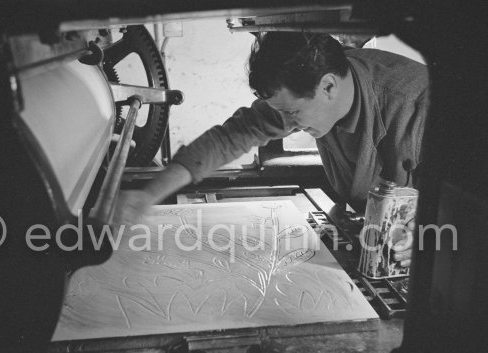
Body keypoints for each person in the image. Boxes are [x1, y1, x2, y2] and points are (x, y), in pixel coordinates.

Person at [114, 32, 429, 268]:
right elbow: (232, 137)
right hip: (369, 231)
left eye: (293, 114)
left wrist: (423, 234)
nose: (288, 121)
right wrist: (149, 194)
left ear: (329, 87)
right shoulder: (309, 86)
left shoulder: (418, 108)